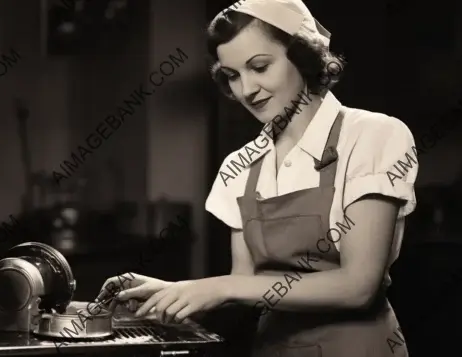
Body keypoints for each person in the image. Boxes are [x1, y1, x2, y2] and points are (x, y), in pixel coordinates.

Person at [96, 0, 417, 356]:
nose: (246, 89)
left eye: (259, 67)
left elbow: (358, 286)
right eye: (232, 75)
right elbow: (246, 287)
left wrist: (220, 287)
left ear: (303, 56)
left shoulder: (373, 136)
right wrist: (176, 291)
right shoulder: (241, 165)